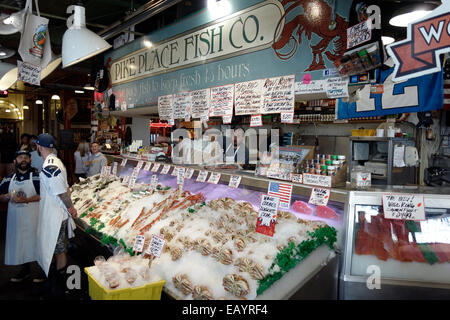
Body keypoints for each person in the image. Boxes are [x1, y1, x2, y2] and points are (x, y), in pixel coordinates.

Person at [33, 133, 77, 297]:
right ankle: (55, 281)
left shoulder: (51, 165)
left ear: (39, 147)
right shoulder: (55, 161)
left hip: (56, 216)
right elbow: (65, 187)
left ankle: (59, 287)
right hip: (53, 215)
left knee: (59, 251)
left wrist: (70, 208)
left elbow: (61, 192)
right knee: (55, 249)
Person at [0, 150, 44, 283]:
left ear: (30, 160)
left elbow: (44, 196)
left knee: (36, 244)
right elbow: (1, 196)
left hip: (34, 218)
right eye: (20, 157)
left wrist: (26, 200)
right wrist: (7, 196)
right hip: (16, 219)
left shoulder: (37, 176)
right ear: (15, 161)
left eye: (26, 157)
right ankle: (24, 270)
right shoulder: (9, 178)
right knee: (19, 244)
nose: (23, 159)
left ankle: (42, 271)